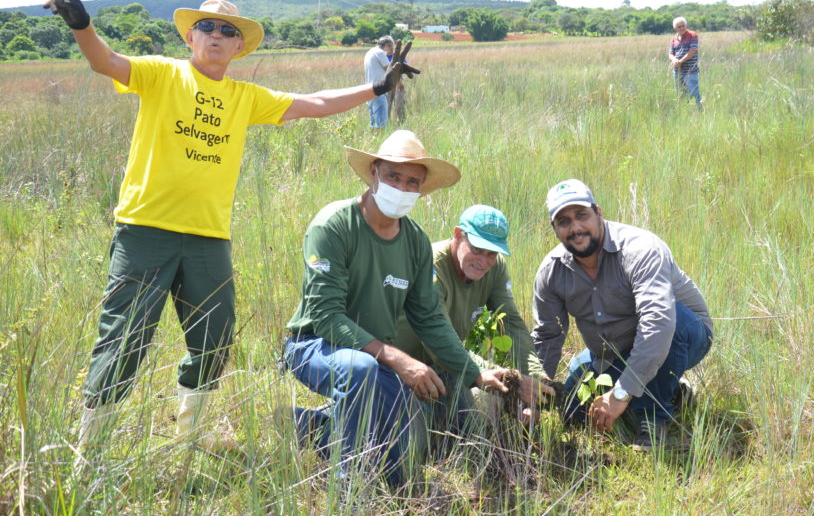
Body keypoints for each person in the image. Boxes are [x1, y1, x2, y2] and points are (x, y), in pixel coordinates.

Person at [39, 0, 419, 460]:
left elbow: (314, 103)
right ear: (190, 36)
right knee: (123, 340)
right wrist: (80, 23)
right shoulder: (161, 73)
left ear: (239, 47)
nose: (217, 36)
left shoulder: (244, 97)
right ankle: (87, 459)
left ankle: (187, 445)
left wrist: (376, 89)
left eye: (228, 32)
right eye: (208, 28)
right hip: (145, 231)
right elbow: (106, 62)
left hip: (207, 239)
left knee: (214, 342)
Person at [280, 131, 511, 486]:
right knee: (359, 370)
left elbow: (429, 316)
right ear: (373, 173)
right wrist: (398, 359)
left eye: (412, 182)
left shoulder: (415, 241)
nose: (401, 188)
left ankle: (311, 427)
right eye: (393, 176)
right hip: (315, 346)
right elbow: (325, 316)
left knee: (405, 460)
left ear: (421, 189)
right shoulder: (335, 225)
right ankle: (349, 488)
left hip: (377, 360)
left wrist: (474, 372)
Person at [531, 179, 713, 450]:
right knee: (572, 415)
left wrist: (619, 394)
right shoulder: (551, 272)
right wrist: (533, 393)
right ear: (554, 229)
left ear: (598, 212)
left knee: (667, 323)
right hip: (609, 353)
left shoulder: (641, 248)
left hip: (682, 332)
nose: (575, 228)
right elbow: (547, 336)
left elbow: (658, 323)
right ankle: (675, 392)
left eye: (582, 215)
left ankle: (653, 418)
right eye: (564, 221)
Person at [393, 204, 553, 423]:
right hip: (403, 365)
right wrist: (512, 380)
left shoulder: (495, 268)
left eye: (491, 254)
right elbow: (437, 339)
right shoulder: (429, 265)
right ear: (458, 234)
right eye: (477, 249)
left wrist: (534, 374)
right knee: (408, 436)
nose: (483, 262)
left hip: (446, 366)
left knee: (476, 418)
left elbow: (512, 323)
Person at [669, 17, 702, 109]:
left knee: (694, 94)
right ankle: (685, 113)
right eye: (679, 27)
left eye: (683, 26)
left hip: (690, 71)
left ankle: (699, 113)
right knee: (680, 95)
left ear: (686, 25)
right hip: (677, 71)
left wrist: (680, 61)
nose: (682, 28)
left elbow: (692, 51)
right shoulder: (674, 39)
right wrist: (674, 60)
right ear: (675, 29)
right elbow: (670, 53)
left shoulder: (692, 35)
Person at [364, 36, 395, 128]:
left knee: (373, 123)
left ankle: (373, 141)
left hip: (368, 90)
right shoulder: (380, 52)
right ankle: (380, 141)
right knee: (381, 123)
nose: (391, 51)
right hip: (378, 90)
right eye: (391, 48)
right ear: (386, 46)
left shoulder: (370, 52)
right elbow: (389, 70)